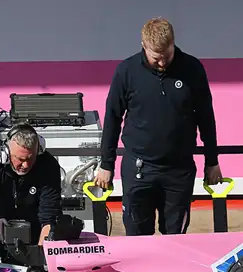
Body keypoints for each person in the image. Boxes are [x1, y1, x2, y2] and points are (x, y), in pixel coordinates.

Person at [94, 17, 222, 237]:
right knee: (137, 237)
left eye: (167, 55)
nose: (162, 63)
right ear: (144, 46)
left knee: (175, 237)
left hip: (179, 170)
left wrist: (212, 161)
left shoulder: (192, 69)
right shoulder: (127, 71)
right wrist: (106, 164)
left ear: (173, 43)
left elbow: (206, 118)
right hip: (138, 168)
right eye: (156, 57)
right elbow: (113, 118)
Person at [0, 124, 63, 262]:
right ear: (5, 153)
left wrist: (40, 257)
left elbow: (49, 218)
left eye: (30, 158)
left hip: (28, 239)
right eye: (20, 159)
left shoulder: (48, 165)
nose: (25, 165)